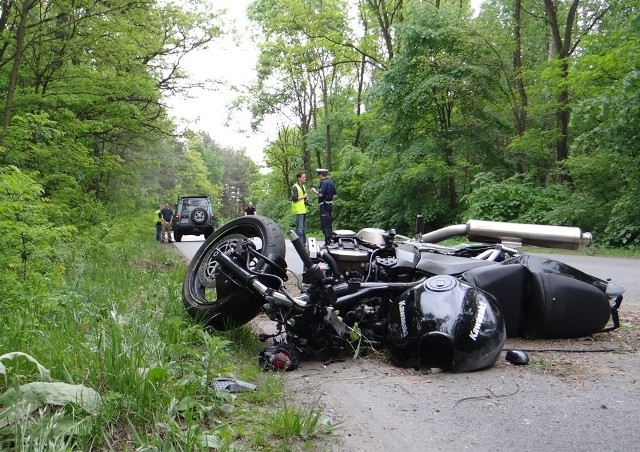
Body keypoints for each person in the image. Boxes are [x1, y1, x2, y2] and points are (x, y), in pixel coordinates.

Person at [311, 168, 337, 244]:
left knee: (324, 225)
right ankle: (329, 241)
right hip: (330, 205)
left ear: (321, 175)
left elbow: (321, 194)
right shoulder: (331, 182)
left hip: (324, 205)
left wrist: (314, 191)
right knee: (328, 223)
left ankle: (328, 242)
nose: (318, 177)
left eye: (318, 175)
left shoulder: (324, 183)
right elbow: (335, 195)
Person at [291, 171, 309, 243]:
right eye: (303, 177)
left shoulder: (303, 186)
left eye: (305, 177)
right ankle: (300, 244)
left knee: (303, 228)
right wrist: (303, 196)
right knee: (300, 229)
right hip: (298, 210)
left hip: (303, 209)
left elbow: (302, 197)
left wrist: (306, 198)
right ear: (299, 178)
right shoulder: (295, 187)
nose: (305, 178)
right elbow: (294, 199)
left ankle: (303, 243)